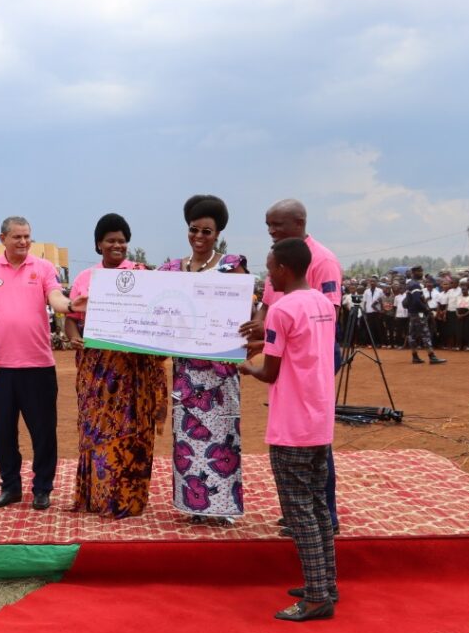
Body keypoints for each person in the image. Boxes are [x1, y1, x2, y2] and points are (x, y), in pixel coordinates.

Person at [240, 238, 338, 622]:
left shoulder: (281, 309)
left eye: (270, 268)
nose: (268, 275)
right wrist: (259, 342)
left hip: (292, 426)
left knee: (299, 512)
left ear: (283, 269)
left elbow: (270, 370)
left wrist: (246, 366)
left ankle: (316, 597)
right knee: (317, 506)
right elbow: (300, 347)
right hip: (319, 421)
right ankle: (326, 583)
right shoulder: (321, 305)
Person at [239, 199, 342, 535]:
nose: (271, 231)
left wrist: (274, 343)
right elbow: (267, 307)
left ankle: (322, 515)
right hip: (284, 349)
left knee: (310, 434)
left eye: (278, 225)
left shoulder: (323, 261)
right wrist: (259, 332)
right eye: (268, 225)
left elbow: (327, 315)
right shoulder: (278, 261)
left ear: (299, 222)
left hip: (311, 356)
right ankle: (299, 512)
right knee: (299, 429)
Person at [0, 216, 87, 511]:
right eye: (17, 237)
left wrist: (71, 306)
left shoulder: (44, 268)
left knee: (44, 432)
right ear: (3, 239)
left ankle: (42, 489)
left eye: (27, 237)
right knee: (4, 432)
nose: (23, 242)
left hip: (38, 366)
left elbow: (56, 298)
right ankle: (10, 487)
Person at [65, 213, 167, 518]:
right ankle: (99, 497)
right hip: (97, 370)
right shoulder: (86, 278)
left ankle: (129, 499)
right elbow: (71, 320)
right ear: (99, 244)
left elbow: (158, 312)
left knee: (133, 431)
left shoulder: (142, 274)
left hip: (134, 370)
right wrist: (73, 338)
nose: (117, 245)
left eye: (122, 240)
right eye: (110, 240)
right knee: (98, 431)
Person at [159, 196, 248, 523]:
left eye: (206, 231)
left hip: (220, 375)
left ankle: (222, 508)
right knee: (186, 439)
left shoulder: (231, 266)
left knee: (222, 439)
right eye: (193, 229)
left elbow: (244, 312)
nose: (199, 236)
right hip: (186, 373)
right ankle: (193, 506)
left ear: (218, 233)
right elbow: (153, 305)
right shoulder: (171, 269)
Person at [403, 282, 446, 365]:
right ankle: (432, 357)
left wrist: (412, 309)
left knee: (412, 336)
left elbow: (404, 303)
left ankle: (415, 356)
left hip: (412, 315)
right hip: (419, 314)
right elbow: (416, 301)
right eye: (420, 271)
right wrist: (426, 308)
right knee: (426, 334)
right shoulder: (416, 286)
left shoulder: (409, 286)